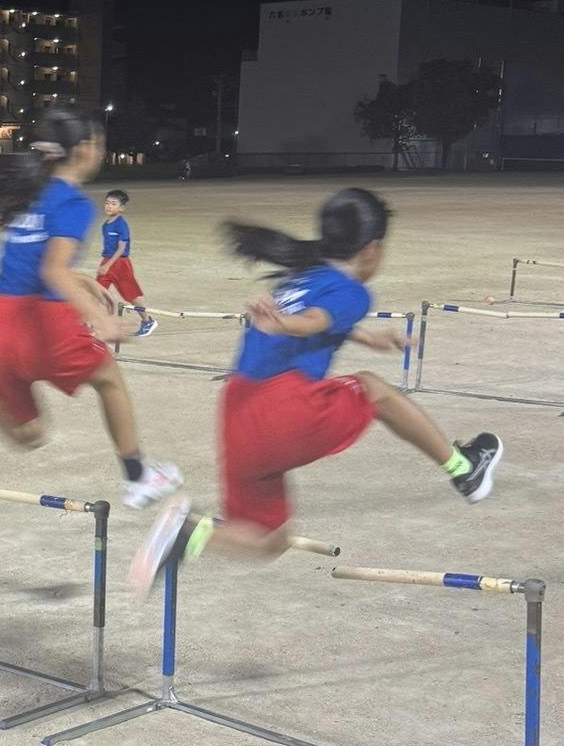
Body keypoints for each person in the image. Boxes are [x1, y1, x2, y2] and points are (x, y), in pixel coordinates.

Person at [130, 187, 503, 588]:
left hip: (237, 410)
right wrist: (286, 324)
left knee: (269, 540)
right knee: (374, 388)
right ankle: (464, 469)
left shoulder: (303, 277)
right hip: (278, 408)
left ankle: (186, 534)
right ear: (372, 249)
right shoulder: (353, 292)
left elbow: (323, 320)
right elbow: (314, 322)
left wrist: (368, 338)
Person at [0, 110, 181, 509]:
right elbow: (52, 269)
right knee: (109, 379)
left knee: (29, 435)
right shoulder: (73, 203)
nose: (100, 151)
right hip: (41, 325)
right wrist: (101, 318)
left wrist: (80, 279)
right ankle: (138, 477)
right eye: (98, 144)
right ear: (82, 150)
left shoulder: (28, 196)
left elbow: (35, 262)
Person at [96, 188, 159, 340]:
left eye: (113, 203)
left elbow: (121, 248)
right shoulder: (105, 225)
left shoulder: (121, 225)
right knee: (96, 292)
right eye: (107, 203)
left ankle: (147, 321)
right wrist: (105, 264)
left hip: (120, 264)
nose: (109, 206)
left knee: (130, 295)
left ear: (121, 208)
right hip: (107, 262)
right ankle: (91, 325)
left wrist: (108, 265)